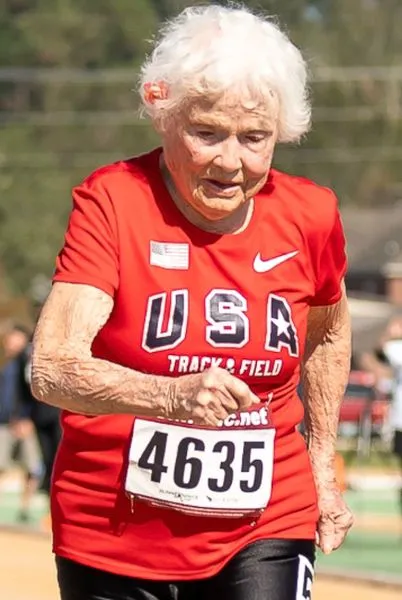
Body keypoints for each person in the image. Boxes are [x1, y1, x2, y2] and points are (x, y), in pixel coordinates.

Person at [31, 5, 353, 599]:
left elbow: (328, 331)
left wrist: (322, 465)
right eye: (206, 133)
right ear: (164, 114)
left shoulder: (311, 215)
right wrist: (169, 396)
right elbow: (51, 368)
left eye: (255, 139)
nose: (231, 162)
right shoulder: (114, 201)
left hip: (267, 519)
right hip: (113, 528)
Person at [0, 324, 42, 522]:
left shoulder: (27, 363)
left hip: (24, 423)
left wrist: (26, 418)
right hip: (3, 423)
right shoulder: (5, 363)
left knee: (33, 467)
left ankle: (25, 507)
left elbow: (31, 396)